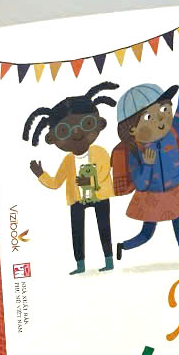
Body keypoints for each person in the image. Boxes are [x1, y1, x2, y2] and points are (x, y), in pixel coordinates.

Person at [23, 82, 119, 273]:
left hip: (100, 197)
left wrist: (89, 182)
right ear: (52, 139)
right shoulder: (68, 161)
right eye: (64, 131)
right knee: (77, 231)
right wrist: (40, 174)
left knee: (104, 227)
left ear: (100, 124)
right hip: (77, 200)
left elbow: (104, 173)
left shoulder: (100, 152)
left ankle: (109, 261)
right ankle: (80, 265)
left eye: (87, 124)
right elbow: (56, 183)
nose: (76, 132)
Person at [113, 76, 179, 265]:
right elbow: (140, 184)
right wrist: (147, 164)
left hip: (174, 190)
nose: (161, 118)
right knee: (147, 232)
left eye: (164, 109)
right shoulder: (135, 151)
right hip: (150, 197)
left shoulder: (172, 134)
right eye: (148, 117)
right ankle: (124, 246)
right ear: (132, 130)